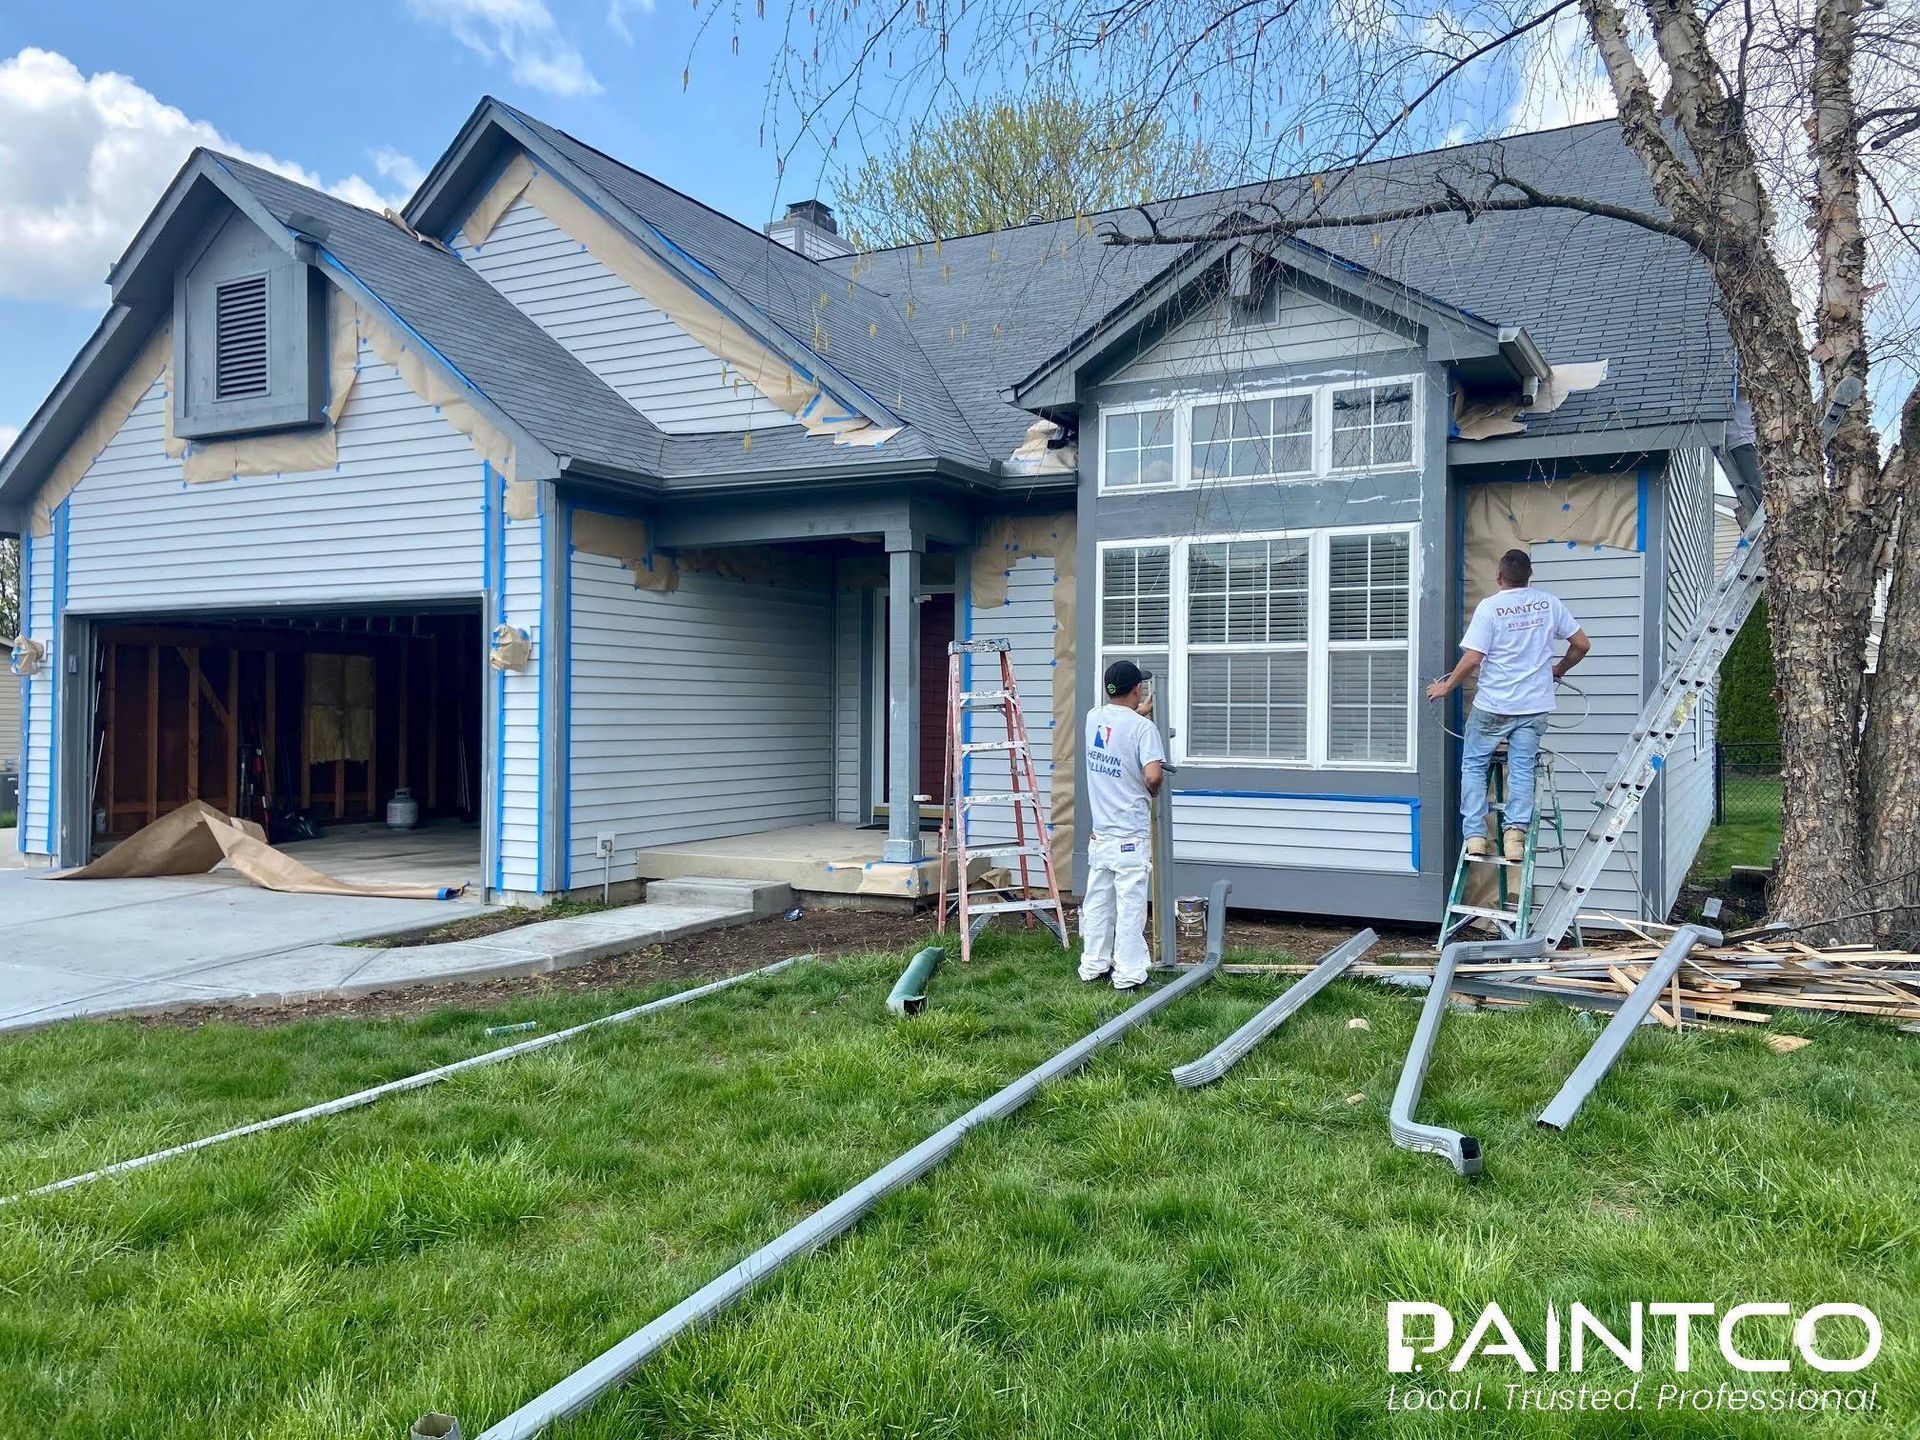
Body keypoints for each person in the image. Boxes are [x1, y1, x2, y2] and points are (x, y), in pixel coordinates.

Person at [1426, 549, 1591, 862]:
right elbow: (1581, 644)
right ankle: (1515, 837)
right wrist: (1559, 670)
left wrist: (1447, 686)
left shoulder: (1490, 608)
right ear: (1529, 576)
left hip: (1494, 705)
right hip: (1533, 706)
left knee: (1474, 765)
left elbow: (1473, 657)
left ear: (1499, 577)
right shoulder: (1549, 603)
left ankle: (1475, 836)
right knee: (1521, 768)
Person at [1078, 659, 1166, 991]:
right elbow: (1154, 774)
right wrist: (1152, 789)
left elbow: (1116, 731)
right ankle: (1129, 974)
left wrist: (1137, 712)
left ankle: (1093, 965)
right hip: (1130, 832)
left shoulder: (1093, 718)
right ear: (1137, 689)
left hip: (1100, 833)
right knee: (1130, 903)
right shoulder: (1144, 730)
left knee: (1098, 900)